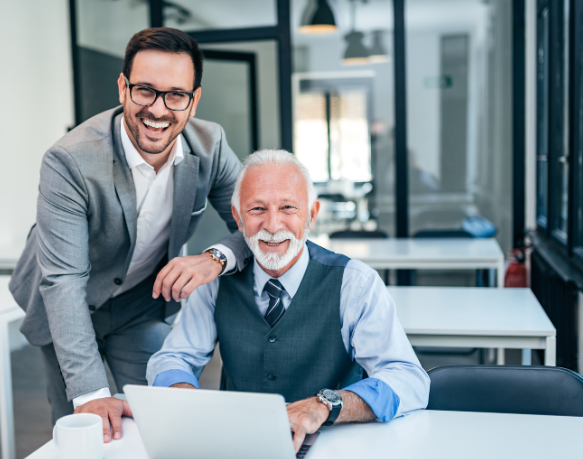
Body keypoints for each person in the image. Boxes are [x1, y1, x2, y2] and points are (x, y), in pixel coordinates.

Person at [8, 28, 252, 442]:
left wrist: (213, 258)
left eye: (176, 94)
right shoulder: (69, 161)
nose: (159, 109)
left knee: (163, 416)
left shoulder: (210, 146)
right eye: (145, 91)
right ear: (123, 88)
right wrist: (89, 394)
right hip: (65, 302)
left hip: (140, 304)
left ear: (193, 101)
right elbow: (64, 280)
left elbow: (254, 226)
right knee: (82, 427)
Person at [146, 149, 430, 453]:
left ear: (312, 214)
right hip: (241, 446)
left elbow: (408, 379)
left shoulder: (355, 283)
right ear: (237, 218)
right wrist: (182, 392)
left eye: (287, 208)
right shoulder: (215, 284)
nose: (272, 225)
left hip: (335, 446)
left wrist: (325, 405)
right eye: (257, 209)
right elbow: (173, 357)